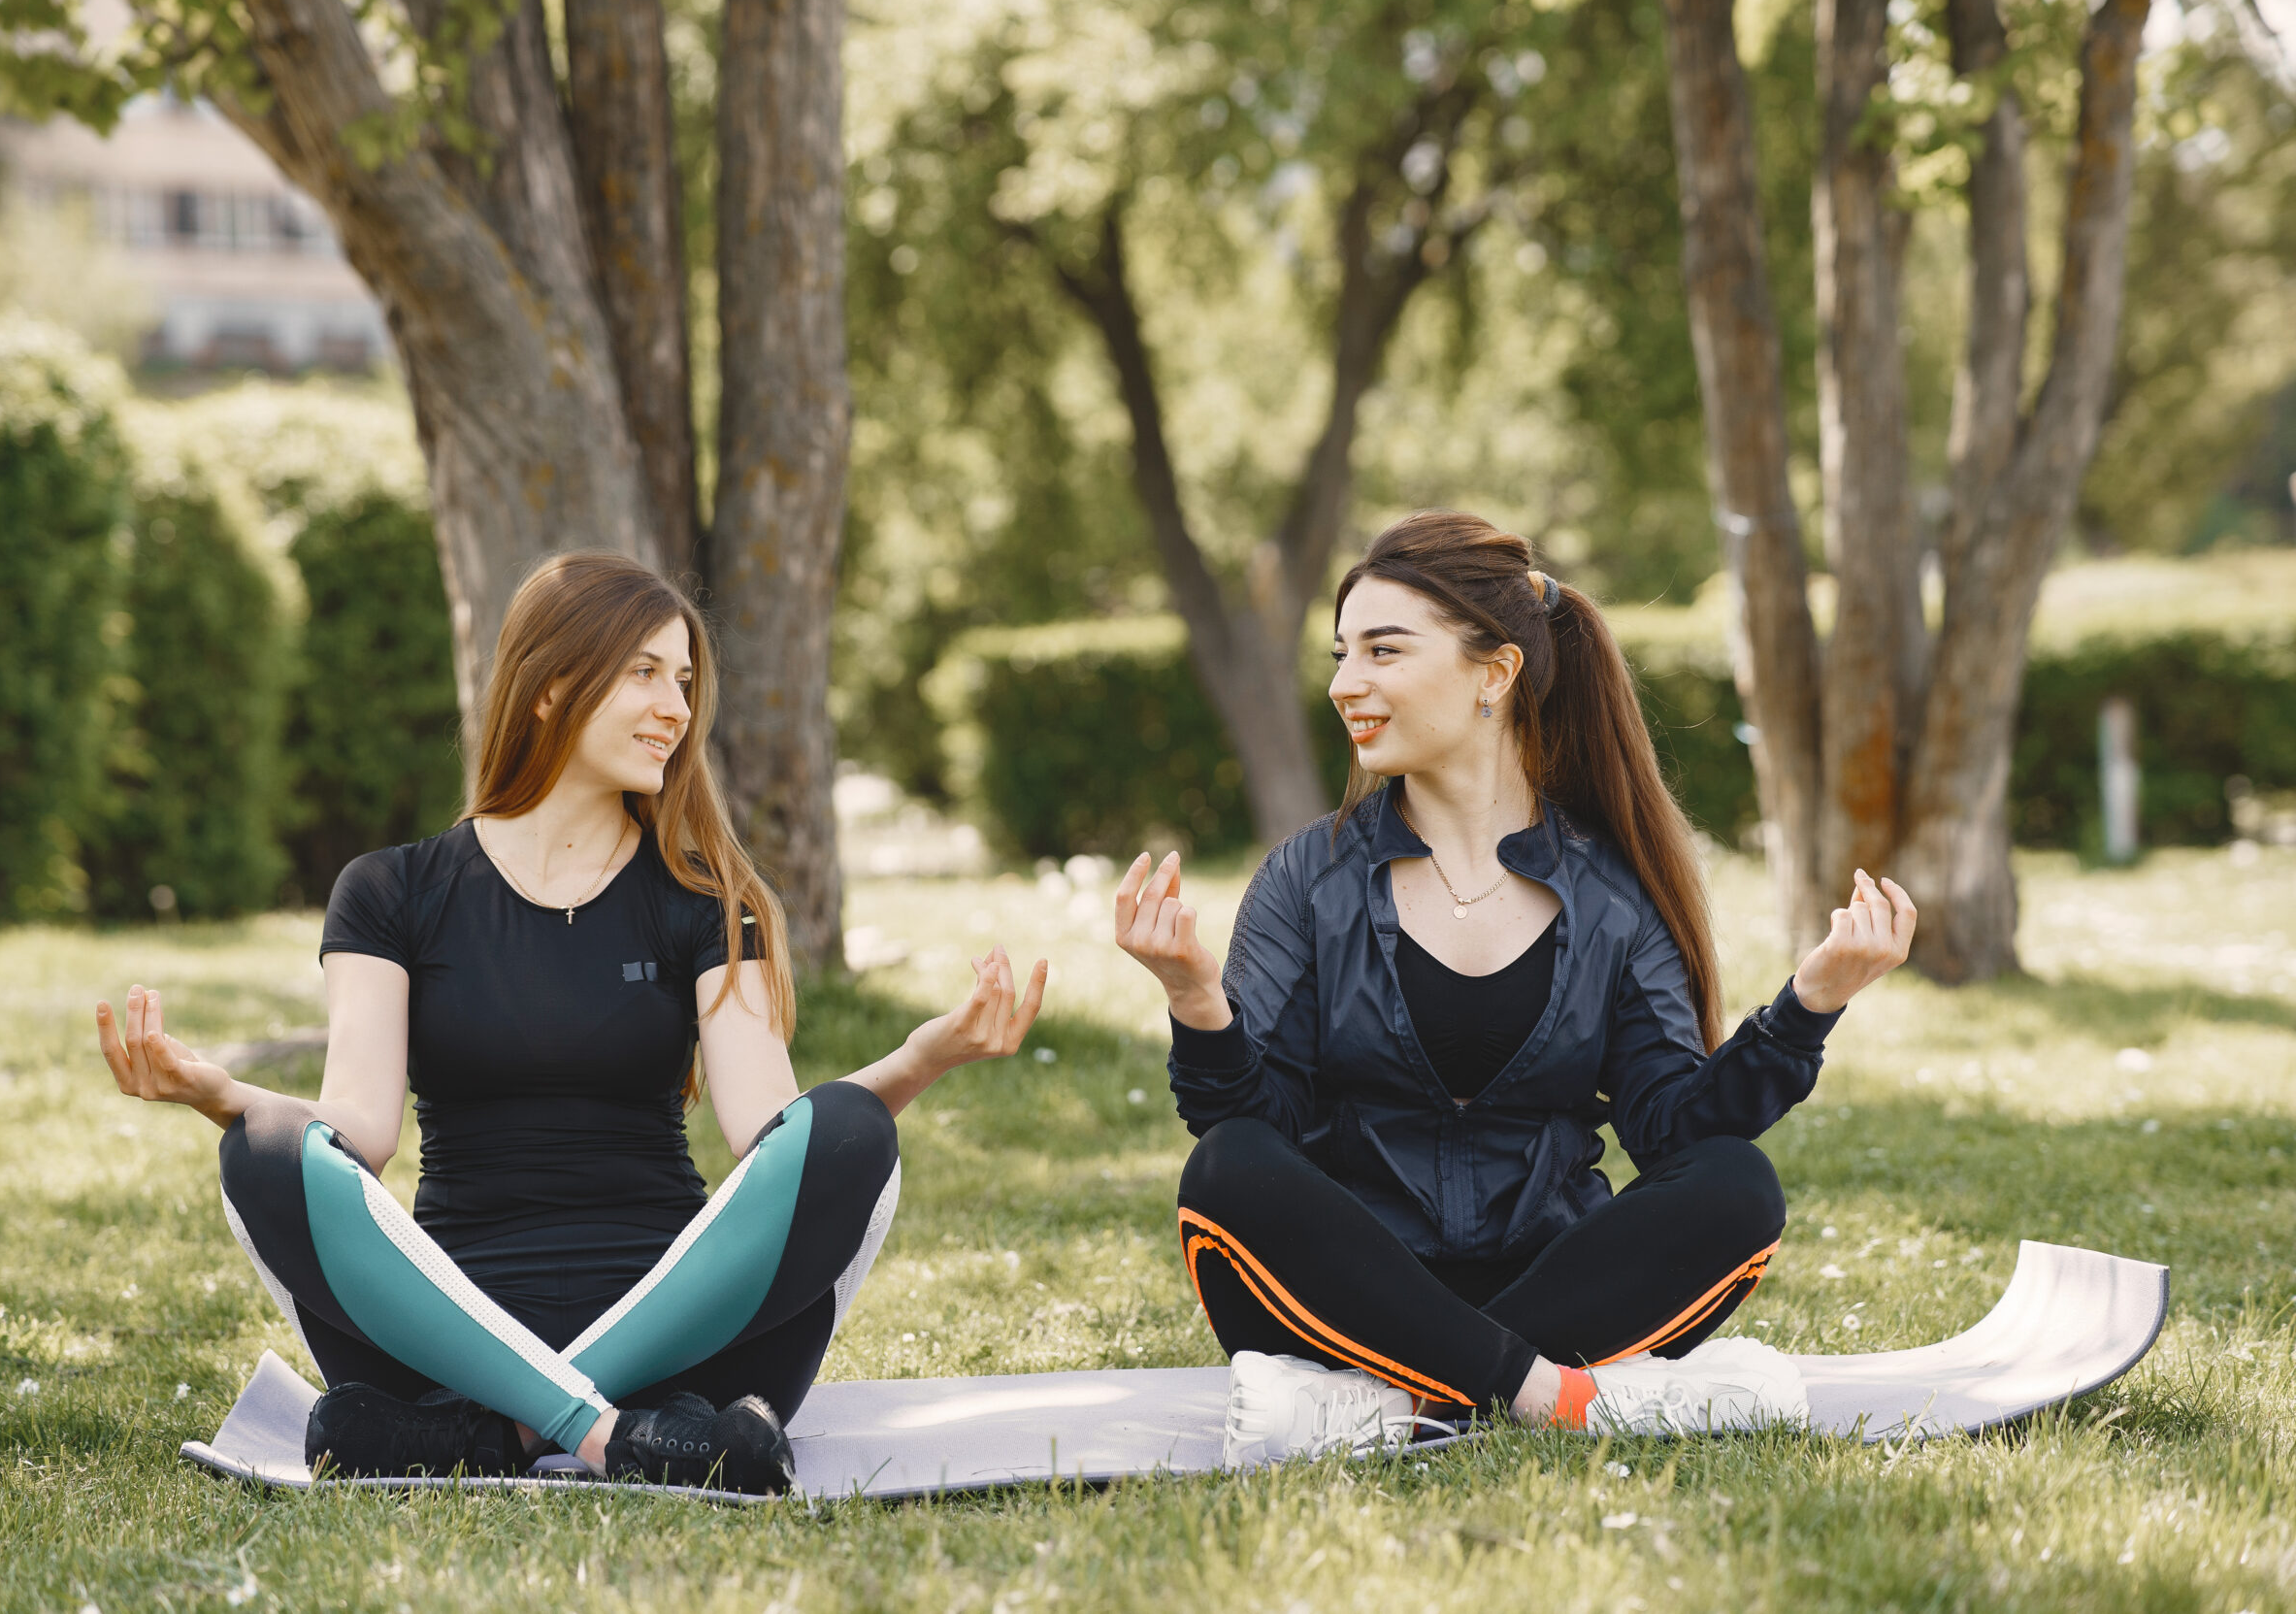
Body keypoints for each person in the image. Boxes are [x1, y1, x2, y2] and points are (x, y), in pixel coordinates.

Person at [94, 552, 1046, 1492]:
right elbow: (358, 1134)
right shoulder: (391, 892)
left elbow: (771, 1132)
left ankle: (497, 1435)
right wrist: (215, 1095)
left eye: (682, 679)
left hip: (682, 1341)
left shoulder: (706, 900)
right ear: (549, 687)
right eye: (643, 672)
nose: (675, 706)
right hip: (452, 1337)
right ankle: (617, 1438)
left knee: (844, 1126)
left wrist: (927, 1056)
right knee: (264, 1146)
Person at [1113, 511, 1917, 1462]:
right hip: (1347, 1294)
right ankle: (1544, 1396)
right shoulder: (1307, 879)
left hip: (1555, 1283)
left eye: (1382, 651)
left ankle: (1401, 1403)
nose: (1344, 684)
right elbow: (1258, 1121)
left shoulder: (1612, 892)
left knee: (1736, 1184)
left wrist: (1810, 1003)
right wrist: (1195, 1001)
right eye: (1340, 654)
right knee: (1231, 1166)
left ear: (1493, 673)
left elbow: (1674, 1129)